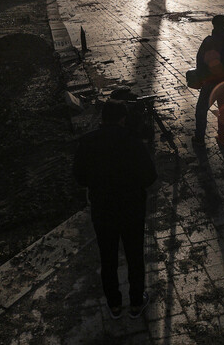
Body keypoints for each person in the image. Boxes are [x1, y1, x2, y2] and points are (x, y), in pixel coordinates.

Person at [73, 99, 157, 319]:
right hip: (131, 208)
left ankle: (115, 305)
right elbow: (150, 176)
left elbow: (79, 177)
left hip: (103, 210)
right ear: (122, 118)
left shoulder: (87, 142)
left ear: (102, 118)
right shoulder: (133, 141)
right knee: (135, 256)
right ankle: (137, 303)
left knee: (108, 257)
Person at [193, 14, 224, 146]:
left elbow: (200, 61)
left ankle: (199, 138)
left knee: (201, 110)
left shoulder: (209, 41)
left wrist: (202, 78)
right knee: (223, 109)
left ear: (213, 25)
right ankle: (222, 136)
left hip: (210, 83)